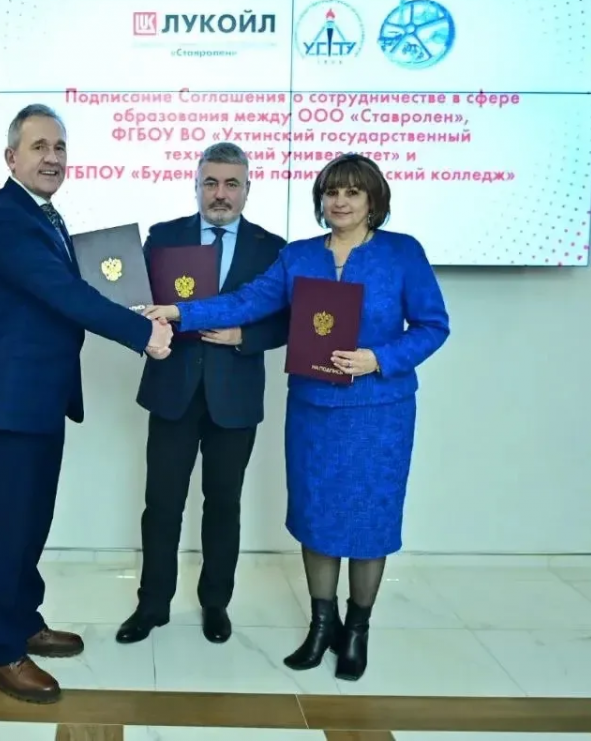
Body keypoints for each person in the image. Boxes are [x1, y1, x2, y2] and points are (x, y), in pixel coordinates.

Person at [145, 153, 449, 681]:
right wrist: (180, 311)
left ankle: (356, 631)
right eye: (331, 192)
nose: (340, 201)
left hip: (379, 414)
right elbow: (246, 302)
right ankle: (321, 626)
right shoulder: (299, 256)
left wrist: (378, 359)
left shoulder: (403, 253)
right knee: (316, 516)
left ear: (373, 200)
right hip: (313, 412)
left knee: (369, 520)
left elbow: (433, 326)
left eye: (352, 192)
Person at [0, 104, 173, 704]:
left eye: (59, 147)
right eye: (39, 147)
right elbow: (64, 292)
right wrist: (142, 332)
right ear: (11, 158)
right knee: (4, 528)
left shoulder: (43, 216)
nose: (52, 157)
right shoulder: (3, 220)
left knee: (30, 522)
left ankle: (24, 621)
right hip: (8, 403)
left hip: (38, 399)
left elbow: (76, 288)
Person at [116, 142, 288, 647]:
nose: (220, 194)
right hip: (173, 390)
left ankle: (216, 603)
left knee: (224, 504)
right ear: (196, 185)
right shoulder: (164, 237)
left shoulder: (271, 247)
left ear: (248, 189)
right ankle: (152, 605)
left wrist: (244, 336)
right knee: (161, 504)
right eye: (210, 182)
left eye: (231, 184)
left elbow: (287, 321)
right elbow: (136, 300)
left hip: (235, 396)